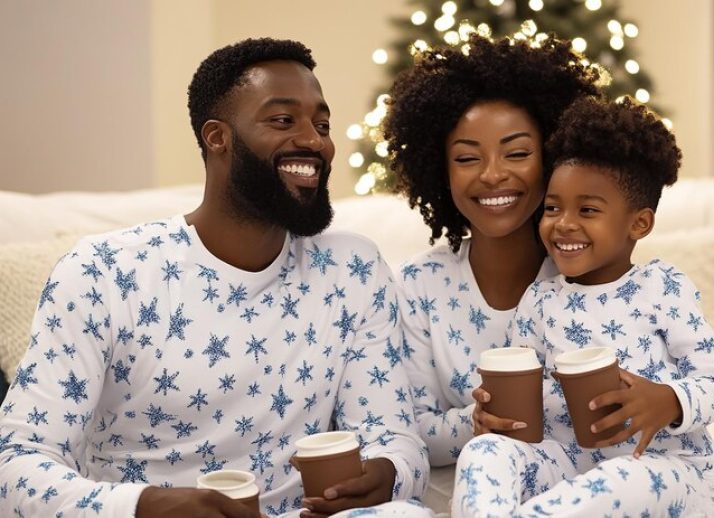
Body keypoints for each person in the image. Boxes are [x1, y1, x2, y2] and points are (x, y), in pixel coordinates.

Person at [0, 38, 430, 518]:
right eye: (283, 120)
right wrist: (145, 507)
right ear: (216, 137)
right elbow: (16, 466)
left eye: (322, 124)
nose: (315, 140)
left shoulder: (353, 269)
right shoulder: (102, 273)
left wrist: (389, 470)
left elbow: (393, 435)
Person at [452, 96, 714, 516]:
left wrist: (669, 399)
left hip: (661, 467)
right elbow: (524, 389)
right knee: (484, 452)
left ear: (639, 223)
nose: (564, 223)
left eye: (588, 209)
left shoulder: (661, 286)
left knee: (623, 479)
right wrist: (493, 413)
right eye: (553, 207)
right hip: (567, 465)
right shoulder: (540, 299)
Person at [381, 33, 603, 470]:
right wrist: (475, 423)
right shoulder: (418, 286)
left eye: (517, 153)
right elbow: (412, 430)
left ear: (553, 158)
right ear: (440, 172)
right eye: (467, 159)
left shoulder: (587, 271)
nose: (492, 175)